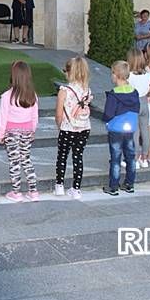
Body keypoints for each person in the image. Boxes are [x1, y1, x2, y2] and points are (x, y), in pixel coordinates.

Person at [0, 61, 40, 202]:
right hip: (27, 131)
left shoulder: (6, 96)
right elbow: (35, 116)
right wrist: (33, 130)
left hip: (11, 132)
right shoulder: (32, 95)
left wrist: (0, 134)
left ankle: (16, 192)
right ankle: (33, 191)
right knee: (26, 159)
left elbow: (3, 117)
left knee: (14, 161)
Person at [54, 56, 92, 199]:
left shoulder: (64, 90)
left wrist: (59, 125)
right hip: (83, 128)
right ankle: (76, 189)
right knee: (78, 157)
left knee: (62, 156)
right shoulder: (87, 90)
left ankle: (59, 185)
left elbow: (58, 113)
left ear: (69, 72)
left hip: (67, 127)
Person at [102, 60, 140, 196]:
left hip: (115, 129)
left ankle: (113, 186)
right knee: (130, 156)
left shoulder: (114, 95)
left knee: (116, 158)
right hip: (130, 129)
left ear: (116, 75)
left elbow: (108, 113)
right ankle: (130, 184)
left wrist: (105, 120)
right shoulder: (134, 93)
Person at [127, 48, 150, 168]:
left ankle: (135, 157)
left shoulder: (129, 76)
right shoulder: (148, 75)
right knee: (145, 131)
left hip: (133, 102)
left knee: (134, 132)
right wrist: (146, 95)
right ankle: (144, 157)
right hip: (144, 101)